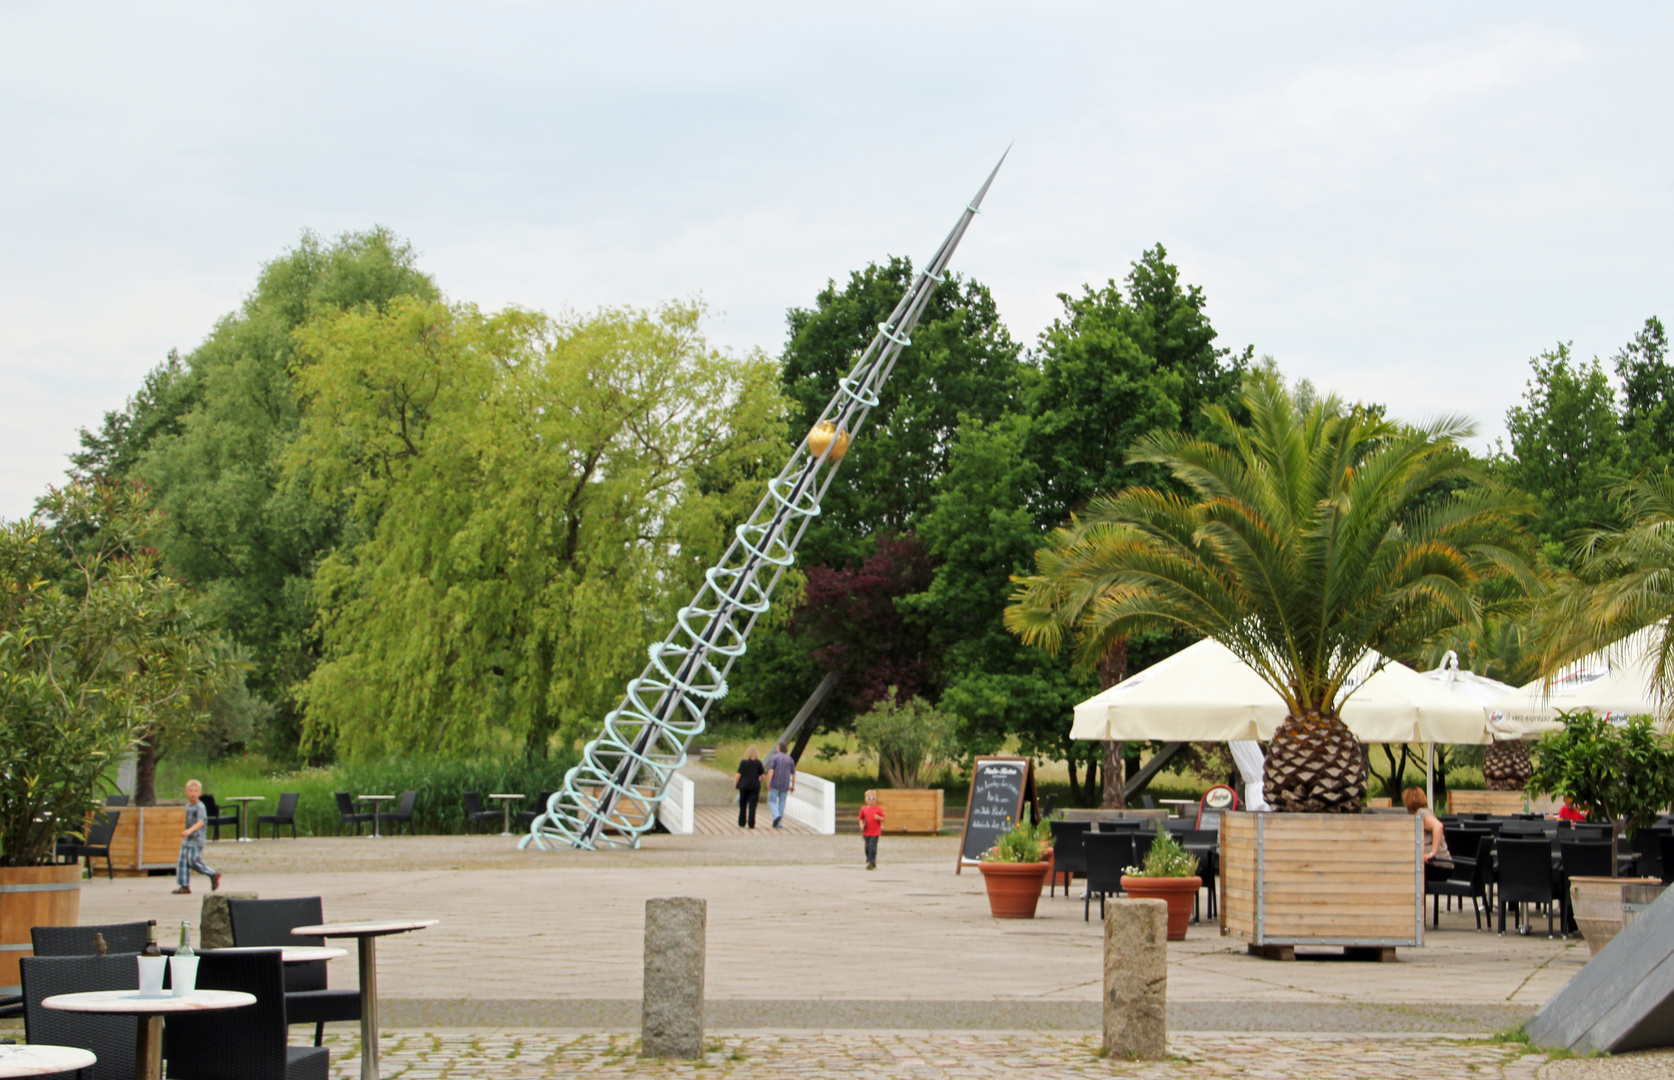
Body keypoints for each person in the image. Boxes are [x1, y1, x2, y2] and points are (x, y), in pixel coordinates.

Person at [174, 780, 221, 895]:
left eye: (195, 791)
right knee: (182, 862)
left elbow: (201, 822)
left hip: (197, 838)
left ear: (200, 793)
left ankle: (212, 874)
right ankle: (184, 886)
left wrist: (189, 831)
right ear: (186, 792)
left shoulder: (200, 806)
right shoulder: (188, 806)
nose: (192, 793)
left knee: (194, 861)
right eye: (190, 791)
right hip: (187, 840)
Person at [1402, 787, 1453, 881]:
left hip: (1438, 866)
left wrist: (1431, 853)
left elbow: (1438, 826)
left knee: (1402, 872)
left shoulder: (1421, 814)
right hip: (1439, 865)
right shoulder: (1423, 813)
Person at [765, 741, 797, 828]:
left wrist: (769, 781)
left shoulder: (775, 758)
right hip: (785, 784)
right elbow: (793, 773)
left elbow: (771, 770)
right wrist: (793, 785)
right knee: (782, 802)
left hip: (775, 783)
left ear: (779, 748)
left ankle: (776, 815)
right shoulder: (790, 759)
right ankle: (779, 823)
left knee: (772, 801)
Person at [734, 746, 766, 828]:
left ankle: (741, 822)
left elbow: (739, 774)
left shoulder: (743, 762)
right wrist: (760, 782)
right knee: (752, 805)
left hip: (744, 785)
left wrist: (736, 783)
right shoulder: (758, 763)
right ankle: (751, 823)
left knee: (743, 804)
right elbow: (762, 775)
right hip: (754, 786)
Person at [858, 790, 885, 870]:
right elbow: (860, 818)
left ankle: (871, 861)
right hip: (866, 832)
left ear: (876, 799)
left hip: (875, 832)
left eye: (873, 798)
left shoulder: (878, 809)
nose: (871, 800)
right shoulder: (864, 809)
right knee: (867, 848)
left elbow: (883, 818)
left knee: (872, 846)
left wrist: (878, 817)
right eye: (869, 798)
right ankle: (869, 859)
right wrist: (861, 825)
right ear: (865, 800)